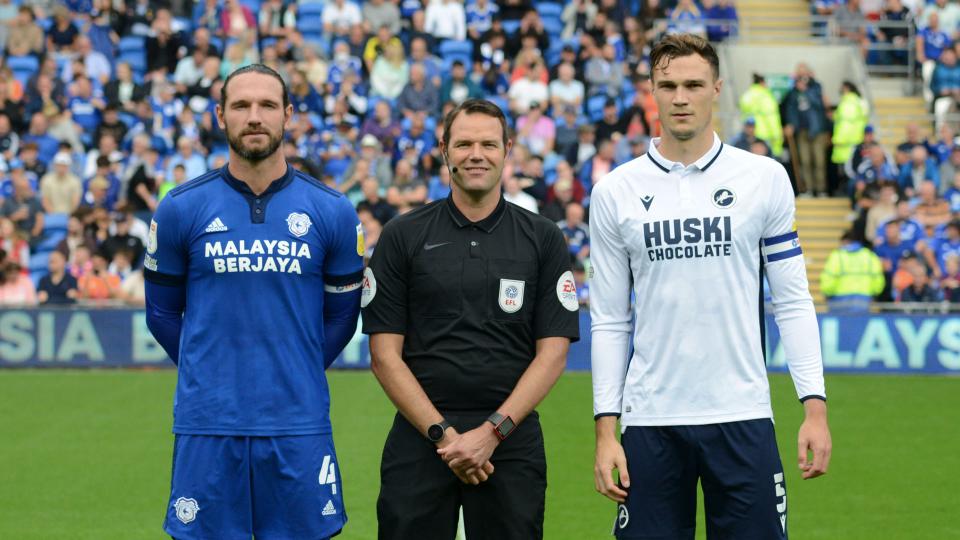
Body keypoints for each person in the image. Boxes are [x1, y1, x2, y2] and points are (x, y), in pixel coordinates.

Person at [589, 34, 832, 539]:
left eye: (694, 84)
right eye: (669, 85)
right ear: (651, 92)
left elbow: (791, 300)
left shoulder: (764, 178)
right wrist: (605, 430)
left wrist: (814, 408)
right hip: (651, 420)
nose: (681, 97)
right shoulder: (615, 191)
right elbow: (611, 318)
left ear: (716, 88)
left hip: (742, 413)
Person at [144, 64, 364, 540]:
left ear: (288, 115)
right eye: (241, 105)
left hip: (297, 423)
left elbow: (344, 316)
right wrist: (210, 370)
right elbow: (161, 314)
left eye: (267, 105)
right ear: (221, 116)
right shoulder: (181, 207)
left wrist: (297, 366)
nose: (254, 116)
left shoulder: (333, 210)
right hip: (208, 424)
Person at [361, 98, 580, 539]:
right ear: (444, 150)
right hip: (420, 436)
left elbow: (553, 352)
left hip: (511, 438)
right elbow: (385, 355)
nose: (475, 154)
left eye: (487, 144)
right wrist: (444, 436)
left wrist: (492, 433)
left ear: (507, 150)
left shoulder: (542, 237)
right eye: (463, 144)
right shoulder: (403, 235)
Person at [820, 230, 885, 312]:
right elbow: (878, 280)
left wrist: (827, 293)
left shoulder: (837, 256)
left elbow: (828, 278)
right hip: (864, 301)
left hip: (838, 301)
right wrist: (874, 294)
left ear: (845, 241)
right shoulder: (870, 256)